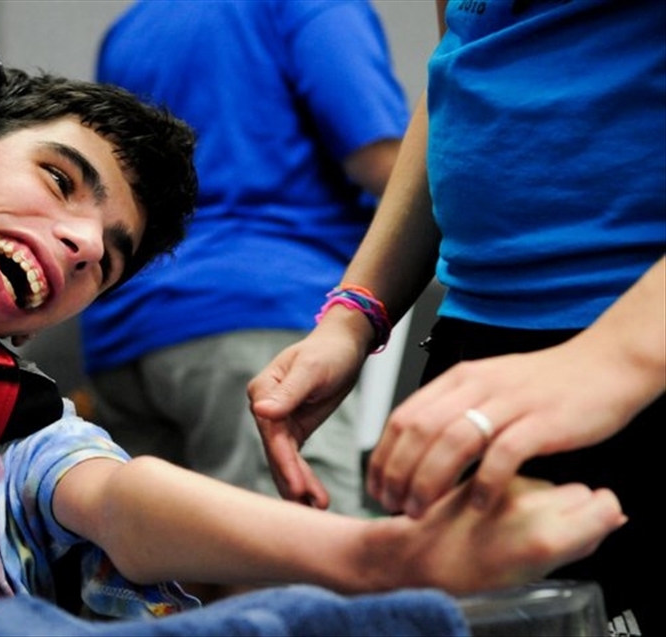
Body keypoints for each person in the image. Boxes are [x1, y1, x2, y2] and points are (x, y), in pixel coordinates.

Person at [0, 25, 627, 637]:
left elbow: (119, 500)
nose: (79, 246)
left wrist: (380, 556)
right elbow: (376, 149)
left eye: (106, 259)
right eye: (59, 179)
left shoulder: (12, 427)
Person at [248, 0, 665, 632]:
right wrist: (354, 313)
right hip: (475, 351)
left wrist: (617, 357)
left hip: (633, 350)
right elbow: (461, 63)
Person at [80, 0, 409, 519]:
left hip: (125, 330)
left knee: (162, 563)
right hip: (256, 318)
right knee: (297, 556)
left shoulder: (131, 28)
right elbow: (383, 161)